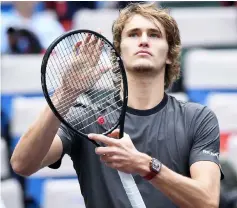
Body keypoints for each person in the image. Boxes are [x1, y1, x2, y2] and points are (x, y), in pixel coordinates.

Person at [11, 2, 223, 208]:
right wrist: (67, 91)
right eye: (133, 34)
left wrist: (145, 166)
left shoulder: (197, 119)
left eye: (154, 34)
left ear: (169, 54)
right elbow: (22, 164)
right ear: (119, 52)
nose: (143, 40)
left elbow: (207, 201)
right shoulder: (87, 117)